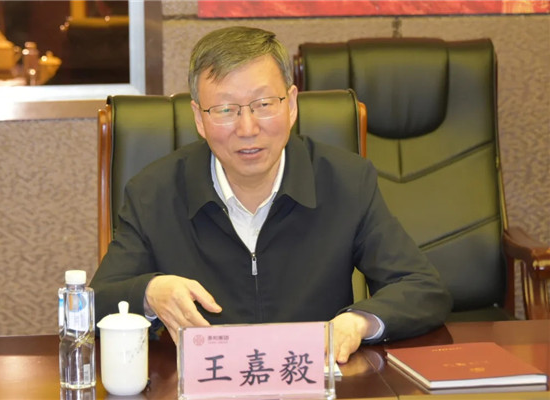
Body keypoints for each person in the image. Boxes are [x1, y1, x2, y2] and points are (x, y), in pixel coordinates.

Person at [90, 26, 452, 363]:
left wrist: (358, 322)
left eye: (264, 104)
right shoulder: (154, 192)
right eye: (225, 110)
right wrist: (149, 293)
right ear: (199, 119)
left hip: (313, 382)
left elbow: (422, 288)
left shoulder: (345, 181)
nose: (248, 128)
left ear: (291, 105)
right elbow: (94, 304)